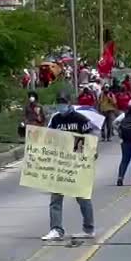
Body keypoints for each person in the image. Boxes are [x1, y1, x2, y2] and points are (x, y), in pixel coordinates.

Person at [41, 93, 95, 241]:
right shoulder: (56, 119)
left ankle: (88, 228)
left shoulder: (80, 119)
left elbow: (91, 138)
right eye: (58, 103)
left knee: (82, 197)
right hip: (60, 164)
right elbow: (49, 137)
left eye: (63, 102)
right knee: (56, 198)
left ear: (70, 103)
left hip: (77, 163)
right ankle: (56, 229)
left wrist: (75, 148)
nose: (61, 105)